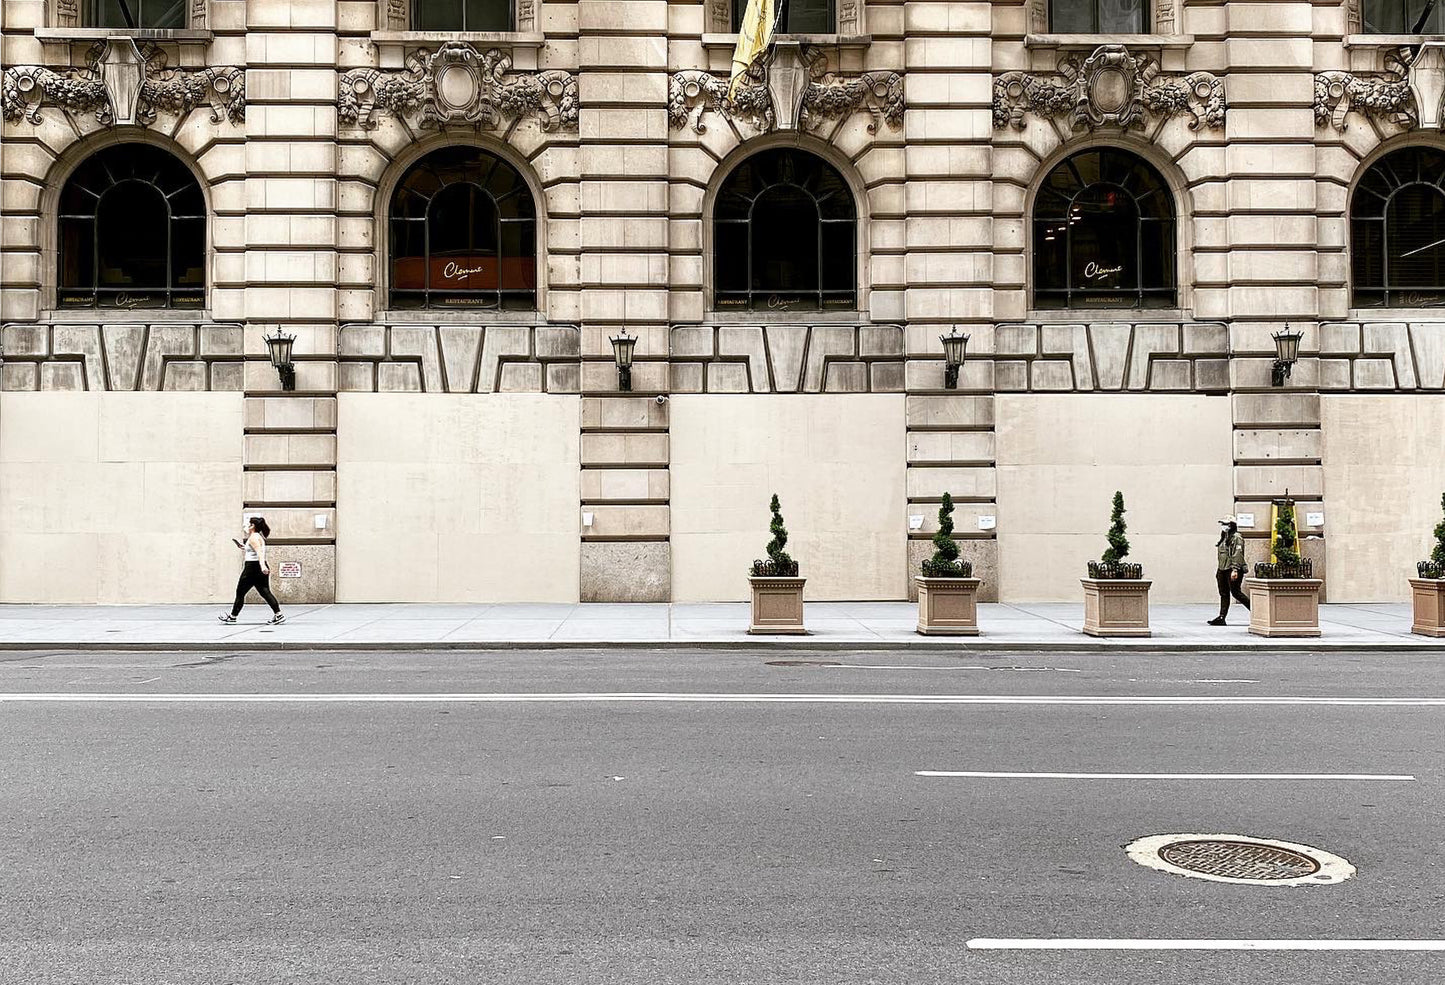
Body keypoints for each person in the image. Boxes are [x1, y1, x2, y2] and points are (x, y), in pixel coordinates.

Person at [219, 517, 285, 625]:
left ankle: (233, 617)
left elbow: (259, 552)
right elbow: (255, 550)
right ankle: (278, 615)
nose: (247, 526)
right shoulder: (258, 536)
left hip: (252, 568)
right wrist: (244, 547)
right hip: (257, 567)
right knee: (265, 591)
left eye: (249, 524)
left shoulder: (253, 537)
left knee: (240, 592)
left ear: (253, 526)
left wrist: (263, 566)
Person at [1208, 515, 1249, 626]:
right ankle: (1222, 617)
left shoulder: (1236, 537)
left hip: (1232, 569)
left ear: (1231, 525)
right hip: (1222, 569)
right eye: (1223, 524)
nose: (1223, 526)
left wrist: (1235, 569)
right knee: (1224, 593)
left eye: (1226, 524)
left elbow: (1237, 554)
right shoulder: (1225, 536)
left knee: (1236, 593)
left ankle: (1256, 612)